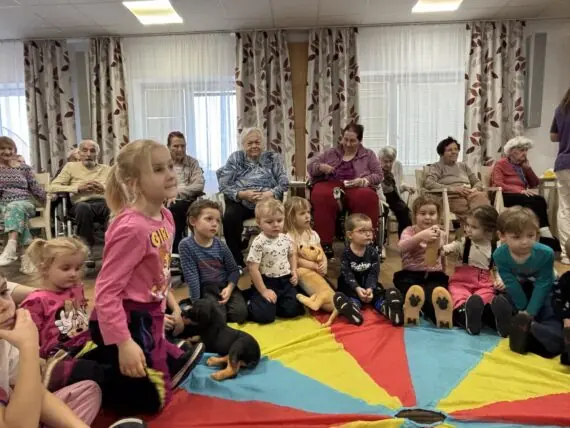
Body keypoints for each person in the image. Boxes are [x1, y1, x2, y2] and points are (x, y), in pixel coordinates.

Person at [89, 139, 205, 414]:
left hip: (148, 314)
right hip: (123, 319)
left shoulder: (166, 216)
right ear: (134, 183)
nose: (170, 174)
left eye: (170, 166)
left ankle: (159, 349)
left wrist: (167, 310)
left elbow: (159, 272)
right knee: (153, 403)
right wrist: (124, 343)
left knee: (174, 359)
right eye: (158, 169)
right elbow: (106, 293)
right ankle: (91, 365)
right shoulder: (131, 229)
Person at [0, 271, 102, 427]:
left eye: (3, 292)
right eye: (66, 267)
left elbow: (38, 393)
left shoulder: (4, 343)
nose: (5, 305)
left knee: (88, 390)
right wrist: (29, 347)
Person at [494, 206, 564, 360]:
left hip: (547, 289)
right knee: (507, 298)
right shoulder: (499, 255)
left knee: (551, 311)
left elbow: (544, 283)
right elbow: (511, 283)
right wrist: (522, 309)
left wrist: (529, 312)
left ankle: (533, 331)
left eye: (530, 235)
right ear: (502, 236)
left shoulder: (545, 253)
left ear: (537, 234)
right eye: (517, 237)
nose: (525, 242)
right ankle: (512, 324)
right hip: (522, 287)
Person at [307, 124, 383, 259]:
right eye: (345, 139)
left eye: (352, 141)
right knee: (321, 194)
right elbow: (311, 167)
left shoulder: (368, 155)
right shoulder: (330, 153)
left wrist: (364, 180)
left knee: (366, 196)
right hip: (331, 183)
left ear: (360, 140)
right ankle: (324, 243)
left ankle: (365, 241)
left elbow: (378, 175)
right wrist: (320, 167)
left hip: (356, 185)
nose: (347, 144)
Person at [217, 127, 289, 268]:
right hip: (242, 201)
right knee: (230, 216)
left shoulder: (273, 158)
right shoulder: (236, 158)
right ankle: (235, 260)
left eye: (257, 142)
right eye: (250, 143)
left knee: (275, 215)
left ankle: (274, 255)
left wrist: (270, 193)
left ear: (262, 143)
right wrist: (242, 194)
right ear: (243, 145)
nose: (254, 146)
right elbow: (223, 185)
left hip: (268, 201)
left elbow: (284, 182)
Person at [443, 206, 512, 336]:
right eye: (467, 225)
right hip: (461, 283)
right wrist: (441, 249)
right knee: (459, 299)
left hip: (484, 284)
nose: (468, 229)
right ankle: (467, 318)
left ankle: (497, 320)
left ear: (489, 231)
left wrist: (500, 280)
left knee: (485, 300)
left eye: (474, 227)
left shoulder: (495, 248)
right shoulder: (463, 243)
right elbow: (446, 249)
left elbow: (497, 269)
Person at [179, 199, 247, 324]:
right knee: (216, 318)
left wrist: (229, 288)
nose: (215, 224)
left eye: (218, 221)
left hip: (224, 285)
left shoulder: (221, 245)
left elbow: (234, 270)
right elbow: (192, 278)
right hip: (206, 289)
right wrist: (197, 305)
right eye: (209, 219)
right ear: (193, 221)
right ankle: (189, 304)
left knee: (240, 314)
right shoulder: (186, 245)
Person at [49, 139, 111, 267]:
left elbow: (119, 187)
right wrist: (77, 188)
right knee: (83, 208)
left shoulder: (107, 169)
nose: (88, 154)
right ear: (79, 153)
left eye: (92, 151)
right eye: (84, 150)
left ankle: (113, 250)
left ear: (97, 154)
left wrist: (104, 188)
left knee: (114, 209)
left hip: (103, 202)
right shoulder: (70, 167)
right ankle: (87, 250)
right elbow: (52, 187)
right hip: (81, 203)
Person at [491, 136, 560, 251]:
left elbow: (535, 183)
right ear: (512, 151)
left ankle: (539, 233)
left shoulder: (522, 165)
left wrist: (528, 169)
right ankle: (543, 235)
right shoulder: (501, 164)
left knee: (539, 199)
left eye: (526, 150)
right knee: (532, 201)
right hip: (505, 195)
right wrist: (519, 190)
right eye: (522, 150)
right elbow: (497, 183)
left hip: (521, 196)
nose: (525, 153)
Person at [394, 195, 453, 328]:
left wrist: (444, 270)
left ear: (438, 215)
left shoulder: (442, 234)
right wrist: (420, 236)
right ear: (415, 215)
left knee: (434, 294)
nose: (427, 217)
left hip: (434, 274)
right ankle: (411, 308)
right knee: (407, 291)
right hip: (411, 275)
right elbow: (401, 248)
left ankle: (437, 314)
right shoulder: (409, 231)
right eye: (423, 213)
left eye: (432, 213)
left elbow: (442, 256)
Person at [338, 213, 404, 326]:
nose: (368, 234)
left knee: (379, 292)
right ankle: (352, 308)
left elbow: (374, 273)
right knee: (346, 292)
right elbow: (347, 274)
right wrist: (357, 288)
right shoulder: (345, 254)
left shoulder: (373, 252)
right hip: (351, 284)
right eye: (362, 231)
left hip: (368, 283)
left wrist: (370, 288)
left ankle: (387, 308)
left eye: (370, 230)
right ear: (350, 235)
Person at [246, 198, 305, 324]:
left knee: (293, 311)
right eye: (269, 222)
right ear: (259, 222)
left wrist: (294, 270)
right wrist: (263, 291)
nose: (276, 225)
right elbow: (253, 269)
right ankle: (251, 299)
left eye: (279, 220)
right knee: (265, 317)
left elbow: (292, 254)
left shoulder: (285, 238)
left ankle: (276, 305)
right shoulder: (259, 242)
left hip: (285, 281)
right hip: (266, 282)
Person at [0, 136, 46, 267]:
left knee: (15, 207)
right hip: (3, 206)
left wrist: (49, 198)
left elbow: (36, 189)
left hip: (25, 203)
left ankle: (11, 248)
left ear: (15, 150)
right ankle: (27, 261)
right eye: (2, 148)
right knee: (17, 215)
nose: (7, 152)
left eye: (10, 148)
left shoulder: (24, 168)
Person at [424, 136, 490, 222]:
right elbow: (429, 183)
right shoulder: (437, 166)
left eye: (456, 149)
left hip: (469, 194)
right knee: (468, 208)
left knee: (481, 197)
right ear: (441, 153)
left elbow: (477, 182)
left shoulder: (463, 166)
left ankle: (481, 225)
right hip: (451, 197)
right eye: (449, 150)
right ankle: (478, 225)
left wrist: (475, 189)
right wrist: (453, 189)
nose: (454, 152)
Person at [165, 131, 205, 269]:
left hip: (187, 201)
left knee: (176, 207)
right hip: (164, 200)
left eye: (183, 146)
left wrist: (177, 191)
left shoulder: (192, 163)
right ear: (168, 147)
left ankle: (176, 252)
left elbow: (199, 185)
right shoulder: (163, 164)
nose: (180, 149)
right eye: (176, 146)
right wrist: (168, 193)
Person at [550, 88, 570, 263]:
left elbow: (553, 136)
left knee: (565, 208)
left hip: (563, 163)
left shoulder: (560, 109)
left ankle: (566, 253)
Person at [378, 146, 413, 237]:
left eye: (391, 161)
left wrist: (405, 187)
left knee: (405, 211)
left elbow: (397, 187)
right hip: (382, 197)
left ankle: (405, 237)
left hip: (394, 197)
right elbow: (378, 191)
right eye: (386, 161)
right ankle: (383, 237)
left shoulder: (395, 168)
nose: (388, 164)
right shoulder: (376, 170)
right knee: (384, 211)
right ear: (379, 159)